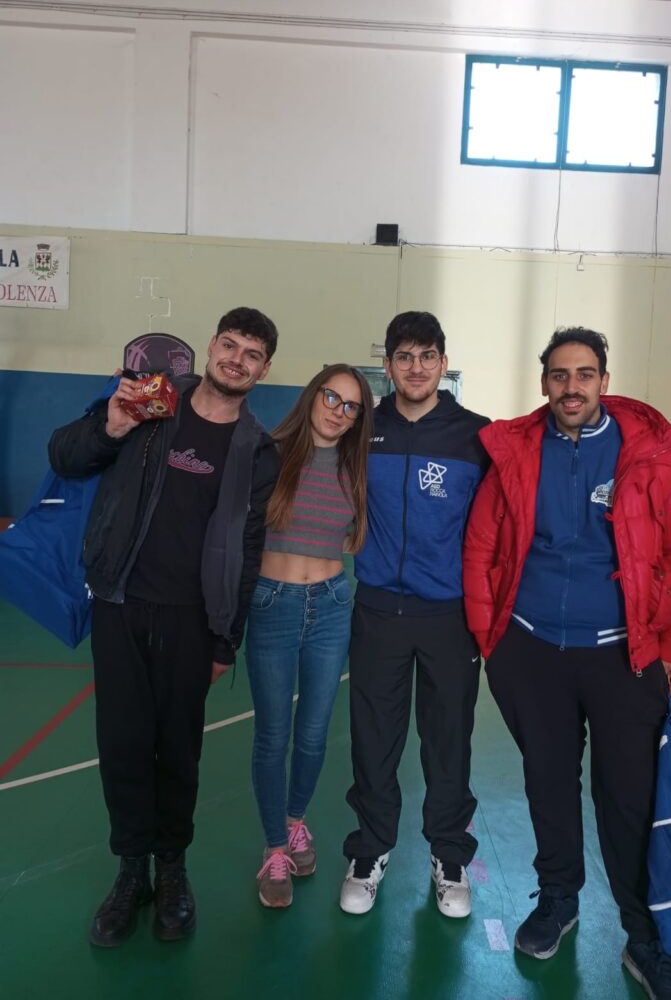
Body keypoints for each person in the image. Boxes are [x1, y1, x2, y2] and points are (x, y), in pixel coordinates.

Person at [463, 327, 671, 999]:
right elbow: (482, 544)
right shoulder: (517, 452)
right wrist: (491, 638)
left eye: (583, 374)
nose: (570, 387)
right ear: (544, 381)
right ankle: (557, 898)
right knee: (547, 783)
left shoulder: (650, 457)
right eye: (558, 374)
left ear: (604, 380)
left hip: (623, 657)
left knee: (628, 800)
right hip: (531, 651)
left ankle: (644, 937)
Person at [48, 307, 281, 947]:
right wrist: (110, 426)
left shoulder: (257, 449)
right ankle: (132, 873)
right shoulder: (151, 403)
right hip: (121, 605)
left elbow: (249, 549)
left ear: (265, 370)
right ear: (210, 347)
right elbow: (65, 456)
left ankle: (172, 870)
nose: (236, 359)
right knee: (123, 746)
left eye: (252, 354)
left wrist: (225, 638)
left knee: (178, 753)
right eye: (229, 344)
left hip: (191, 623)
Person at [339, 311, 490, 919]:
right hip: (378, 609)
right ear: (388, 365)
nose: (417, 367)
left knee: (448, 739)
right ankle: (370, 850)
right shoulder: (362, 429)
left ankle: (449, 857)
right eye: (404, 356)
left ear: (444, 364)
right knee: (374, 738)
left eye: (428, 356)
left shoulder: (476, 437)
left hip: (449, 616)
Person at [245, 364, 373, 908]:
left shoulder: (356, 467)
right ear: (312, 395)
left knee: (314, 734)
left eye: (351, 406)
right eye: (331, 397)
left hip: (332, 606)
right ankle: (275, 847)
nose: (338, 411)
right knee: (273, 735)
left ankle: (296, 821)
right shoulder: (268, 454)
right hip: (271, 604)